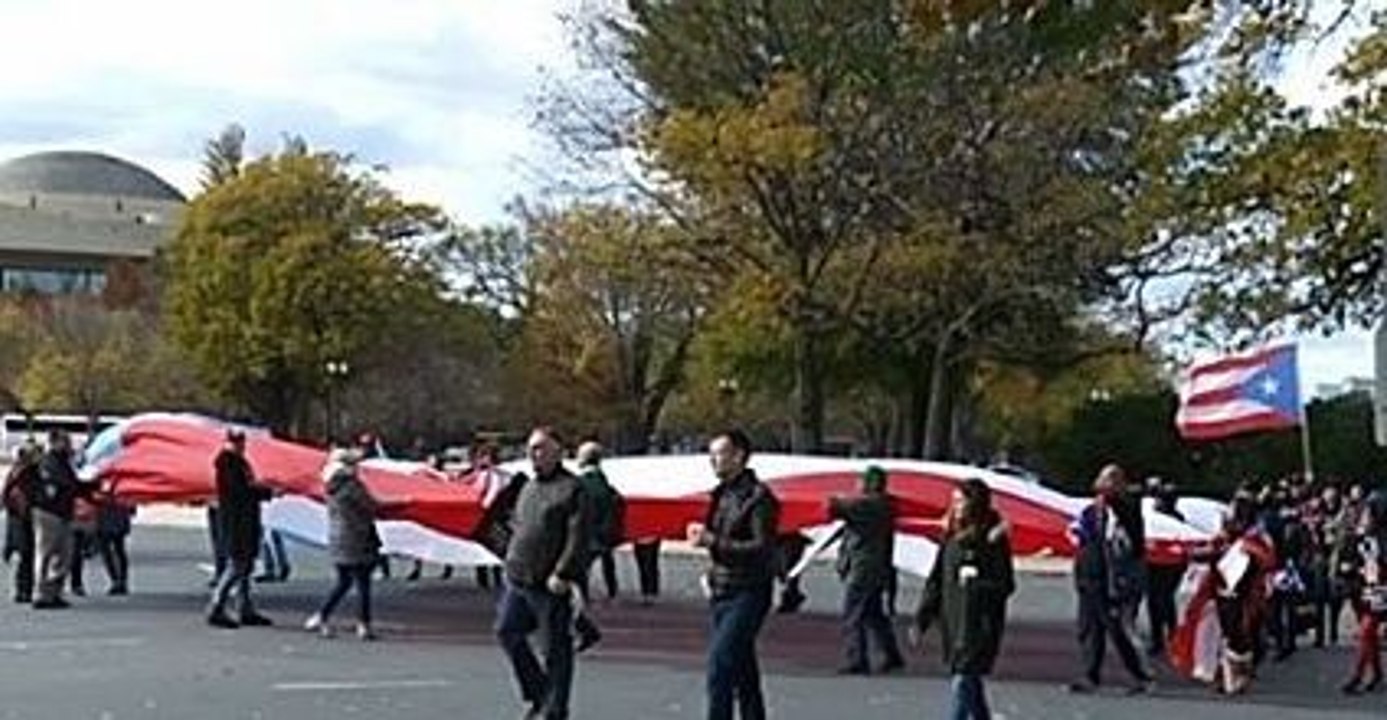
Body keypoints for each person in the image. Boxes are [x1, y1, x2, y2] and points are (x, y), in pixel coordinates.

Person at [495, 427, 590, 720]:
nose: (533, 454)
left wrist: (564, 572)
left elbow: (579, 536)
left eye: (540, 448)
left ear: (558, 452)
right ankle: (539, 693)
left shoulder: (572, 489)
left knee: (555, 651)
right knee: (507, 632)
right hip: (518, 577)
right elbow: (516, 525)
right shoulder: (527, 487)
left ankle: (555, 710)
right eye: (531, 449)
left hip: (549, 582)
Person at [688, 430, 779, 720]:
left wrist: (712, 541)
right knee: (742, 668)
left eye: (719, 453)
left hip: (749, 590)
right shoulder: (721, 494)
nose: (713, 460)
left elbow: (761, 547)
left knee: (720, 666)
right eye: (711, 454)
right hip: (722, 588)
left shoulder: (759, 498)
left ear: (739, 456)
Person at [912, 478, 1015, 720]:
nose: (955, 506)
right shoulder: (951, 535)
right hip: (953, 620)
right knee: (970, 683)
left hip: (979, 623)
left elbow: (1006, 584)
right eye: (954, 501)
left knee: (963, 678)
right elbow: (937, 578)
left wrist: (976, 585)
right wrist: (922, 617)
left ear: (975, 503)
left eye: (961, 501)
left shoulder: (992, 539)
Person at [1067, 464, 1153, 694]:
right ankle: (1090, 675)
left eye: (1111, 480)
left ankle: (1140, 675)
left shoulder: (1125, 509)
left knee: (1117, 629)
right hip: (1090, 576)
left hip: (1112, 580)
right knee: (1089, 628)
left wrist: (1114, 497)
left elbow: (1130, 541)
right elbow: (1080, 535)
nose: (1103, 484)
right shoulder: (1091, 511)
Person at [305, 445, 395, 640]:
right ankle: (363, 624)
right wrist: (401, 503)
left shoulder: (330, 486)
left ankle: (321, 616)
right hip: (358, 538)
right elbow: (372, 506)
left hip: (339, 539)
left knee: (344, 581)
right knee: (363, 583)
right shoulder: (352, 485)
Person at [828, 465, 904, 675]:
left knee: (852, 615)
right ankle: (891, 654)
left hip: (862, 567)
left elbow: (834, 507)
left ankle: (857, 659)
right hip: (877, 567)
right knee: (873, 614)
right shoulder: (886, 505)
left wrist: (832, 496)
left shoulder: (868, 505)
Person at [206, 428, 275, 629]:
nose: (240, 445)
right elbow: (240, 491)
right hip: (236, 522)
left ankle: (245, 607)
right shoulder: (228, 463)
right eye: (236, 442)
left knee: (246, 567)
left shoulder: (238, 462)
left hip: (245, 521)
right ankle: (216, 605)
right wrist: (265, 492)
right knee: (238, 565)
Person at [31, 430, 89, 609]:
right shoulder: (49, 462)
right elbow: (62, 483)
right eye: (65, 441)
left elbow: (74, 484)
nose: (69, 445)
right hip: (48, 512)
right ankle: (41, 593)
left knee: (65, 554)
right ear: (54, 442)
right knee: (46, 553)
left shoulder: (64, 462)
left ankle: (55, 592)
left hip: (64, 513)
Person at [573, 441, 621, 654]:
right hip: (602, 537)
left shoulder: (582, 483)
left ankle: (582, 622)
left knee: (574, 577)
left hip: (585, 537)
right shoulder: (605, 483)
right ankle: (611, 592)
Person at [1340, 499, 1384, 694]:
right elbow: (1346, 559)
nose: (1364, 518)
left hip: (1380, 590)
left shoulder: (1380, 539)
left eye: (1368, 514)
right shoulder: (1359, 537)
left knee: (1366, 631)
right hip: (1362, 589)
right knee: (1369, 635)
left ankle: (1357, 676)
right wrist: (1351, 568)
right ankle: (1377, 673)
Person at [1145, 478, 1187, 657]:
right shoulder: (1159, 516)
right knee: (1158, 600)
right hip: (1156, 563)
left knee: (1161, 600)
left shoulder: (1173, 518)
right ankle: (1162, 638)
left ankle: (1167, 638)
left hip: (1167, 565)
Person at [2, 441, 40, 603]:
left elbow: (5, 496)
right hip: (26, 517)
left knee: (26, 555)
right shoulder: (28, 472)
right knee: (28, 555)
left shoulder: (16, 471)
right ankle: (25, 590)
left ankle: (23, 590)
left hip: (18, 517)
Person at [95, 490, 133, 595]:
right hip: (108, 514)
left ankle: (118, 580)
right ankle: (119, 580)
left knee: (113, 550)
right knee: (115, 549)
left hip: (111, 514)